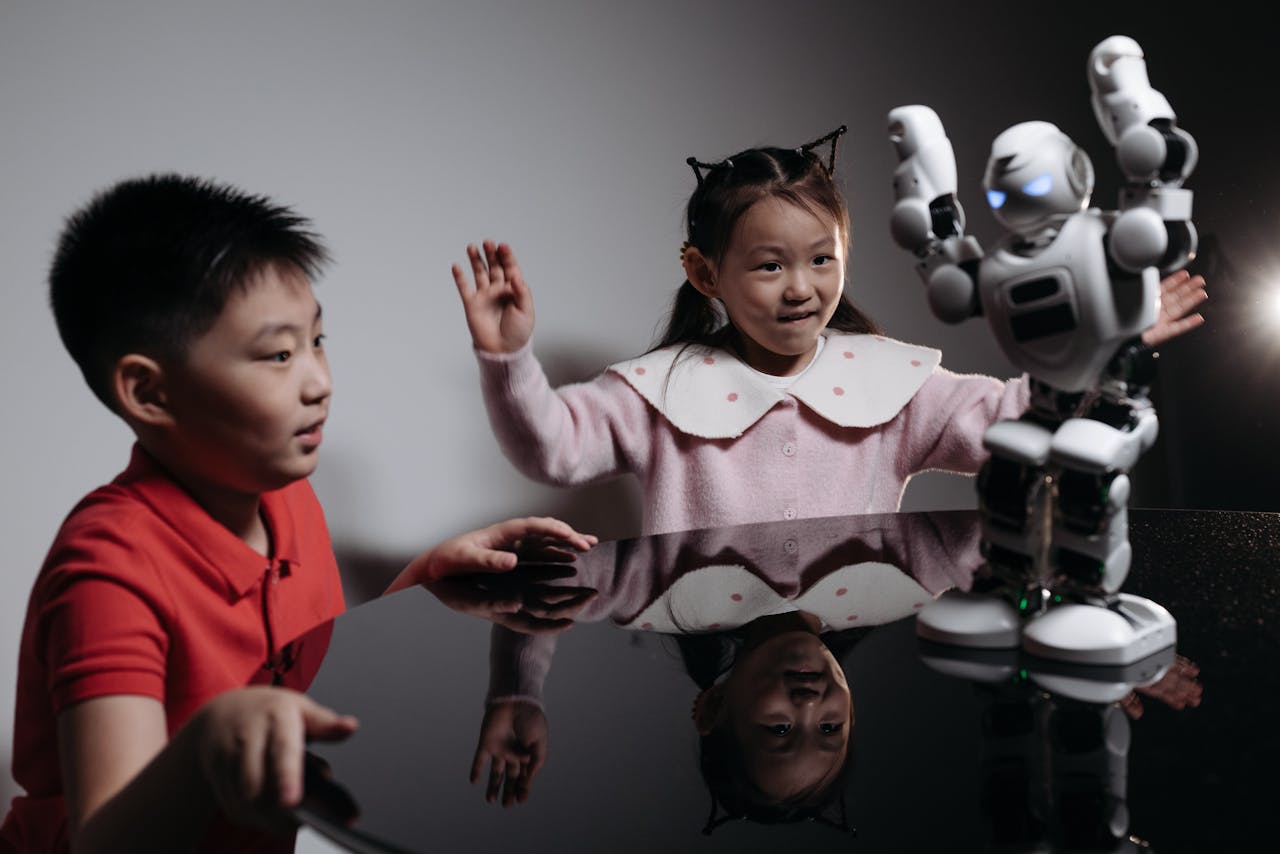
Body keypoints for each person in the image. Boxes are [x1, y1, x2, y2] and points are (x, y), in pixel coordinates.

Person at [0, 174, 594, 854]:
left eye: (317, 341)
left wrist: (426, 577)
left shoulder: (284, 496)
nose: (320, 381)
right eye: (279, 354)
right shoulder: (107, 571)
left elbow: (306, 686)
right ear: (147, 391)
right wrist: (204, 748)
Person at [452, 127, 1207, 537]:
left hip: (858, 643)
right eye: (770, 266)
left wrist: (1109, 342)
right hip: (709, 653)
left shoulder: (892, 383)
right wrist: (507, 354)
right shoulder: (662, 392)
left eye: (823, 259)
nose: (803, 288)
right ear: (705, 273)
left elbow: (1019, 418)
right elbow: (551, 447)